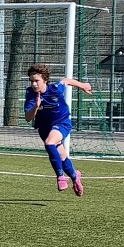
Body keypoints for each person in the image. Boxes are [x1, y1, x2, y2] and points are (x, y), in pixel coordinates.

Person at [23, 63, 91, 197]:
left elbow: (66, 80)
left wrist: (82, 85)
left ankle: (60, 177)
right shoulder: (30, 94)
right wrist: (36, 106)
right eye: (31, 81)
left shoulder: (54, 88)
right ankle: (75, 177)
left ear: (45, 80)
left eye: (36, 81)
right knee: (62, 156)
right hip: (44, 128)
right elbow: (27, 118)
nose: (34, 84)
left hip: (62, 123)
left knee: (49, 143)